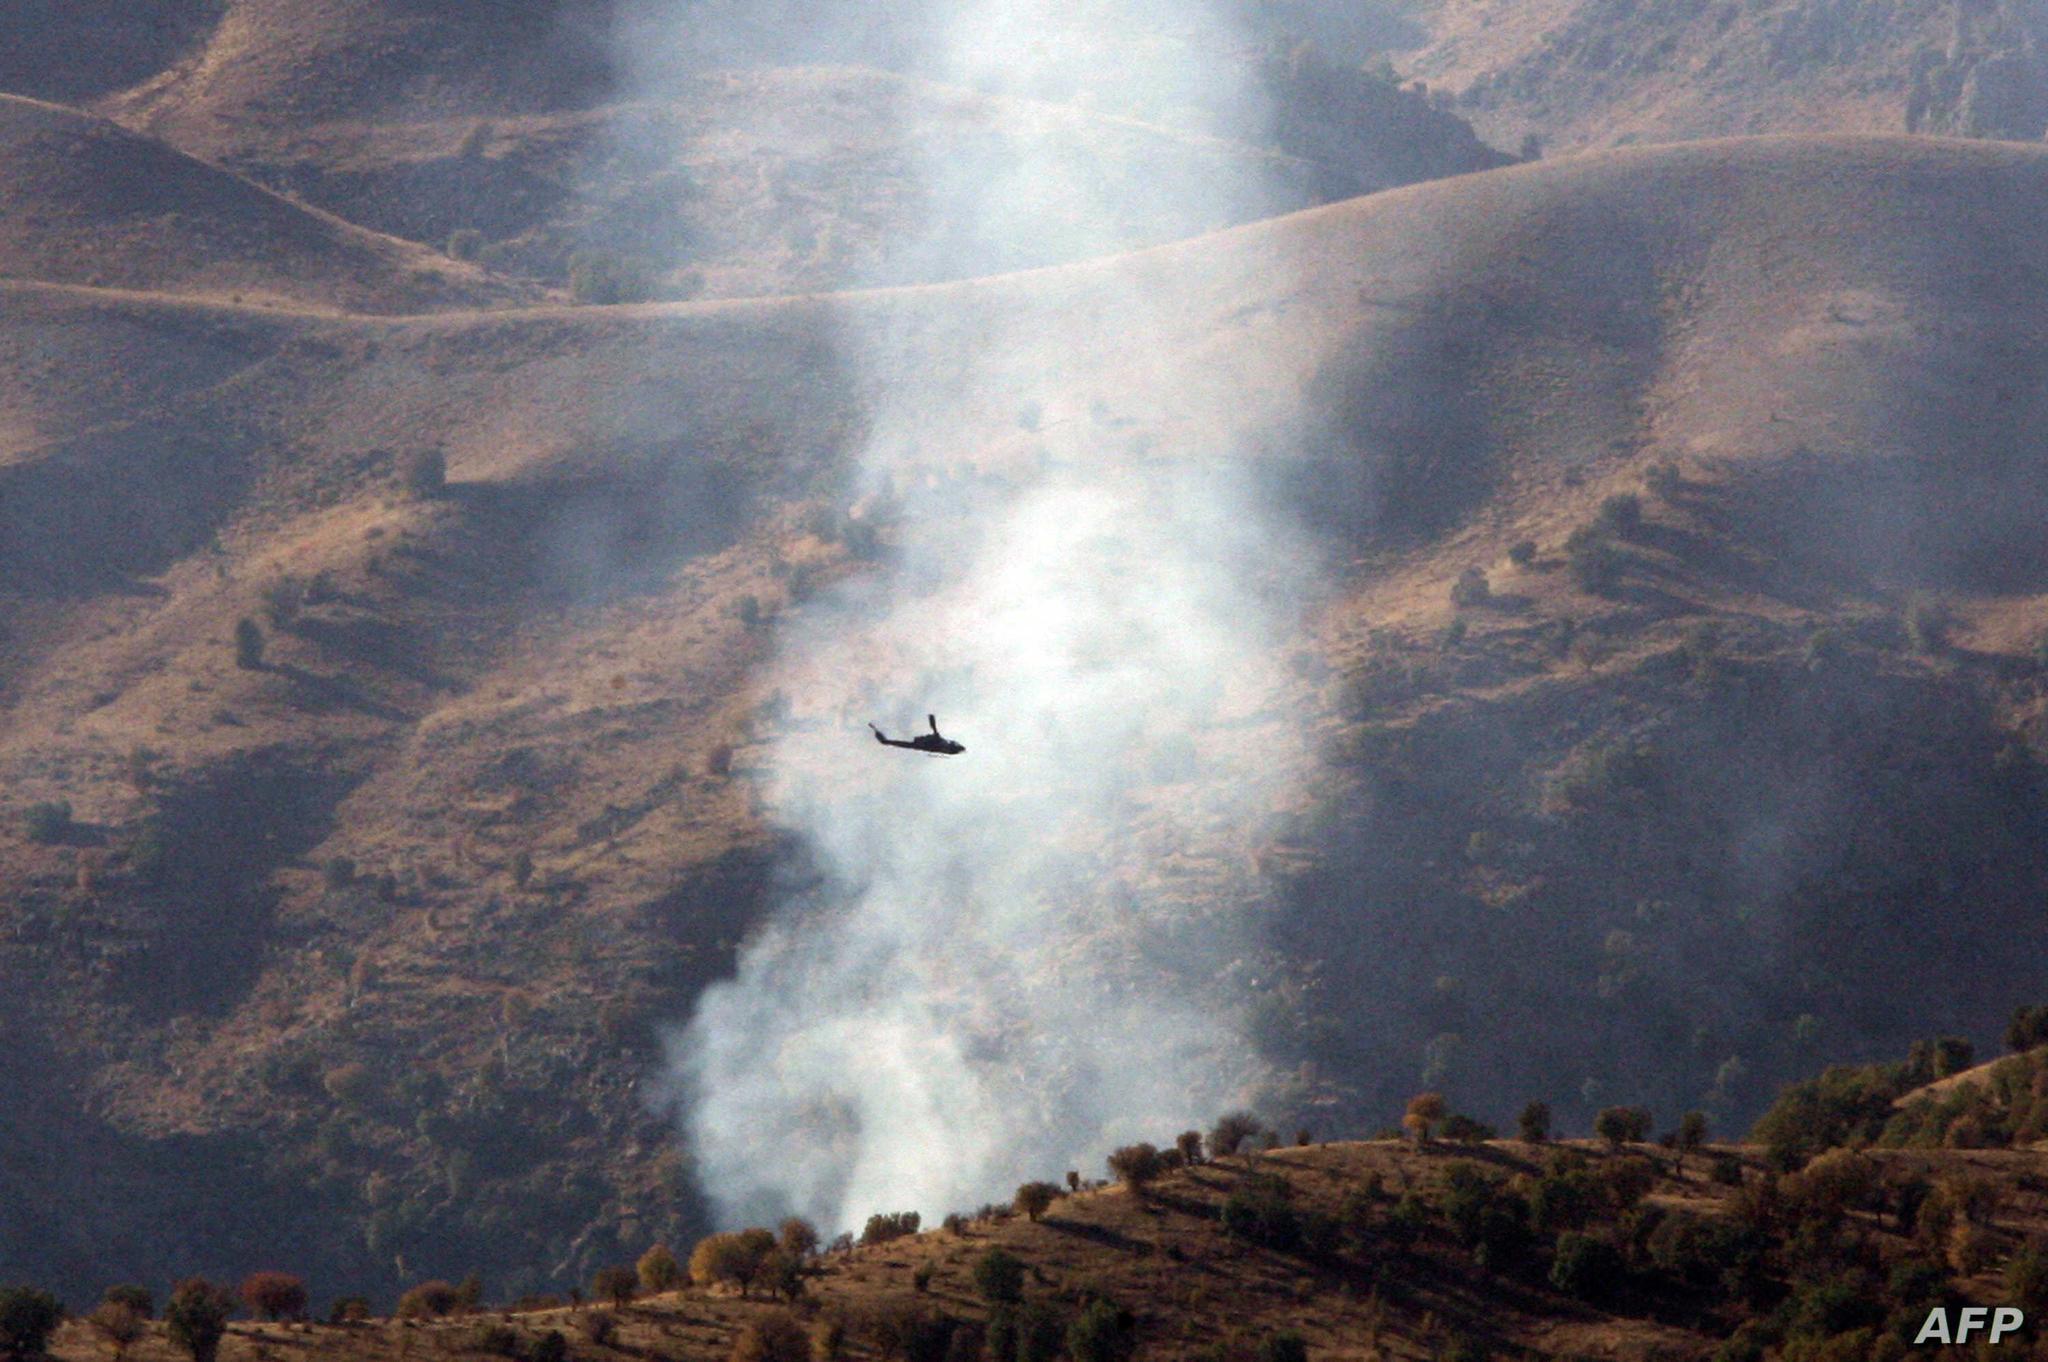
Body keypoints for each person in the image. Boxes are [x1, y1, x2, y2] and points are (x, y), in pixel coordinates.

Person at [868, 714, 966, 756]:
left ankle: (875, 727)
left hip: (920, 744)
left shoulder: (941, 744)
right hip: (920, 744)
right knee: (889, 741)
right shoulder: (942, 744)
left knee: (888, 741)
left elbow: (935, 732)